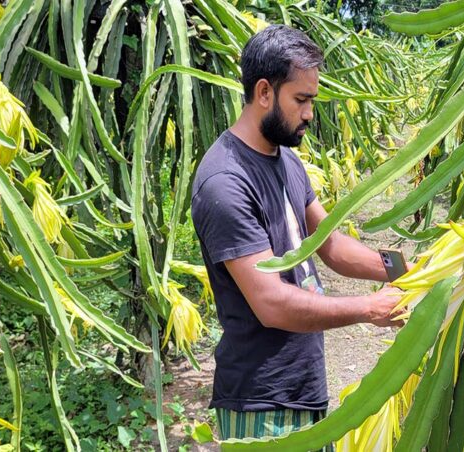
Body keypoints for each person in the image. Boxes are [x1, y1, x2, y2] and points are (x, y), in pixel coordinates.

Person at [189, 25, 404, 445]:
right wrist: (369, 309)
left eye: (312, 101)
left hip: (304, 389)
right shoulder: (224, 183)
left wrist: (404, 270)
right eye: (301, 100)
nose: (309, 114)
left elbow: (330, 243)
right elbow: (271, 303)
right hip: (260, 404)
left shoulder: (285, 158)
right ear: (264, 92)